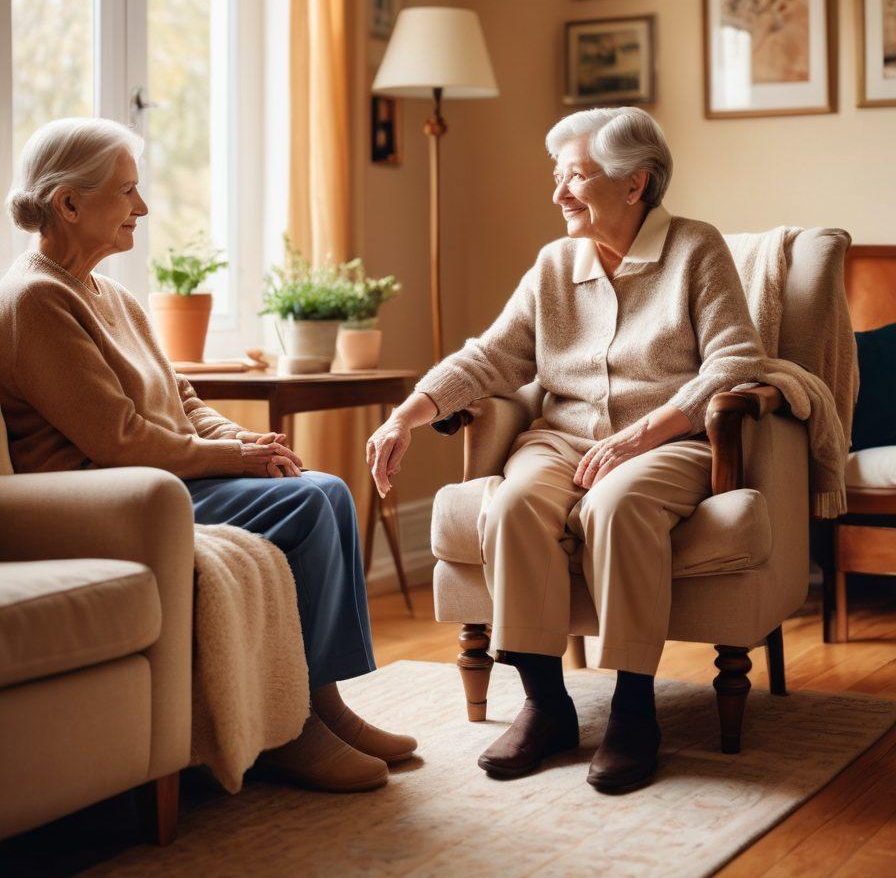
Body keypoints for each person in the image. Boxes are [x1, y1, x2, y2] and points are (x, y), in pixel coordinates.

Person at [1, 116, 415, 794]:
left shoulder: (113, 295)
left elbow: (183, 401)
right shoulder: (36, 299)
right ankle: (295, 727)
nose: (143, 207)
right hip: (112, 496)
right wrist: (234, 461)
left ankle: (324, 699)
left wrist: (244, 441)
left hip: (159, 475)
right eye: (127, 191)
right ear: (69, 203)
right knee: (311, 505)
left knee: (325, 487)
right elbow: (120, 438)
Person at [367, 106, 768, 793]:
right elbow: (492, 356)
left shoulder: (695, 249)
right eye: (558, 176)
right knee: (515, 504)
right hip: (560, 437)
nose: (557, 192)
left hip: (664, 441)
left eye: (574, 177)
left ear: (634, 184)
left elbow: (736, 361)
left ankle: (634, 710)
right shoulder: (555, 264)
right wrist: (407, 414)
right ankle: (546, 705)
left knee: (617, 504)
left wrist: (646, 431)